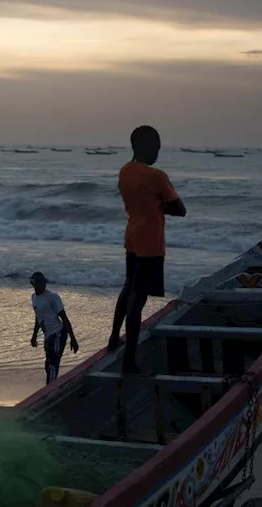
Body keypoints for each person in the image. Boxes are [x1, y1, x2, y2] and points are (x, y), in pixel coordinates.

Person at [108, 125, 186, 373]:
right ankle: (129, 361)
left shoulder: (125, 172)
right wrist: (162, 206)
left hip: (132, 236)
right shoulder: (156, 176)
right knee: (137, 299)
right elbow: (180, 209)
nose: (158, 152)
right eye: (156, 147)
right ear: (147, 147)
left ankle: (113, 339)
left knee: (129, 287)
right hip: (150, 242)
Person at [29, 271, 78, 384]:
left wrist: (73, 339)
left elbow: (64, 318)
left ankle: (50, 388)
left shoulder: (52, 297)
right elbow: (38, 317)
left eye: (43, 283)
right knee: (48, 365)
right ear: (33, 284)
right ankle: (52, 385)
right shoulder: (34, 297)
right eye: (39, 283)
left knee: (52, 364)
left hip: (58, 333)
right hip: (48, 335)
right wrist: (34, 335)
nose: (42, 285)